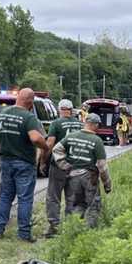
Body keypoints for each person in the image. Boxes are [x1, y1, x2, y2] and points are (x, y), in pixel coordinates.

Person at [0, 88, 49, 242]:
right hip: (24, 163)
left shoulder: (2, 113)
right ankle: (24, 234)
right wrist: (45, 146)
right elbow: (35, 139)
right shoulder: (29, 118)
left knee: (5, 196)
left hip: (6, 161)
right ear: (30, 102)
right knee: (25, 199)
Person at [52, 113, 112, 228]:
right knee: (93, 205)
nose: (98, 127)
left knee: (76, 205)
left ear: (85, 123)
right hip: (90, 178)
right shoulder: (96, 140)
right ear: (94, 125)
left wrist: (65, 165)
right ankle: (90, 232)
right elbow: (102, 166)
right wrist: (107, 184)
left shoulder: (71, 136)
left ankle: (73, 229)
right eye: (98, 125)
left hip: (72, 176)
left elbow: (56, 150)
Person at [43, 99, 83, 238]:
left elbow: (49, 143)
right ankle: (71, 226)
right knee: (72, 197)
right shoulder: (80, 125)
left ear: (60, 110)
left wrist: (44, 161)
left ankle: (54, 227)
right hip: (75, 166)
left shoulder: (56, 123)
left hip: (59, 166)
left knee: (53, 196)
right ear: (71, 110)